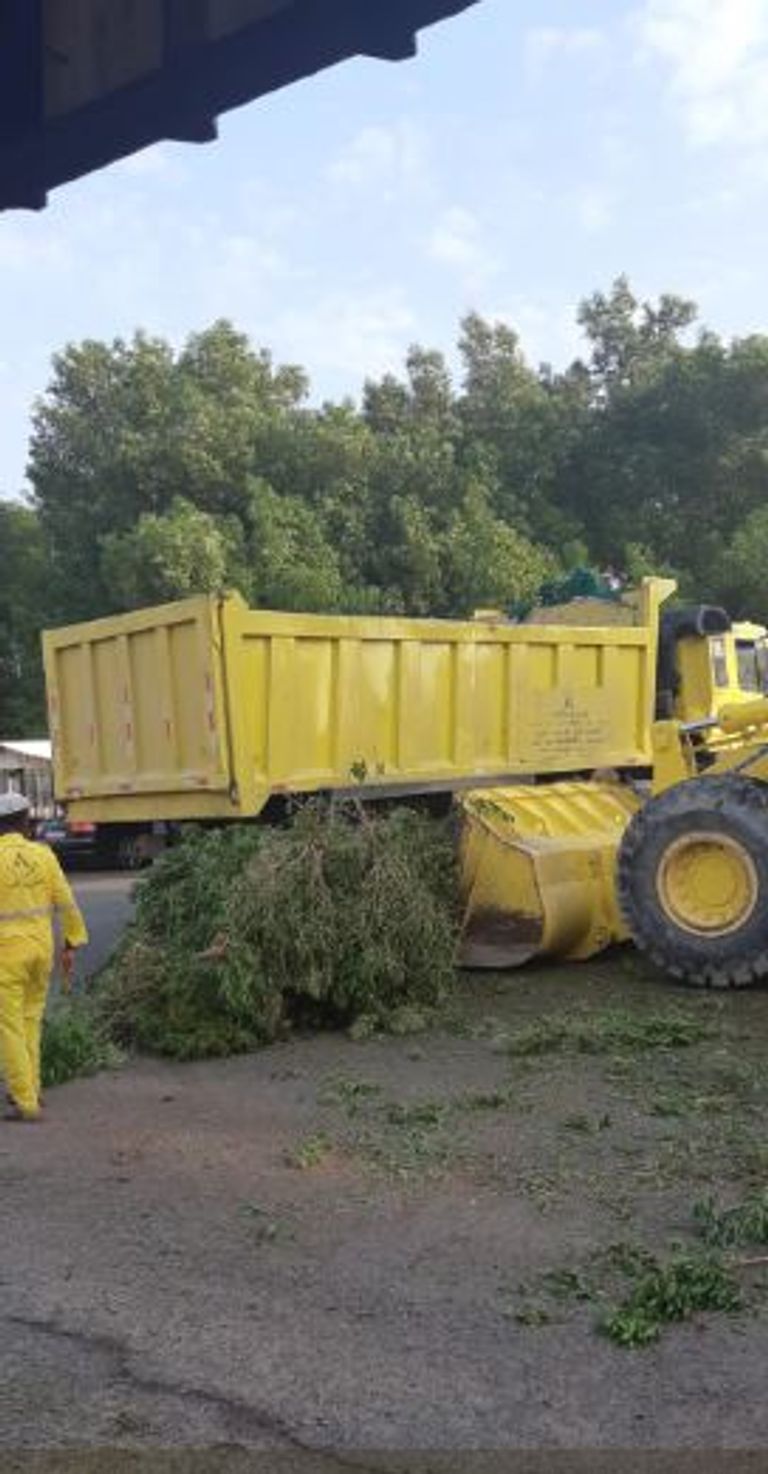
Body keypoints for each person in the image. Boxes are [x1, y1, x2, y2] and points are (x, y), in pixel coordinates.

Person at [0, 793, 88, 1121]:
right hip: (40, 952)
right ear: (26, 822)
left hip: (6, 956)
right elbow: (65, 900)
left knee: (9, 1027)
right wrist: (72, 941)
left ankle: (25, 1102)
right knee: (30, 1021)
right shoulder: (44, 855)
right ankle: (32, 1088)